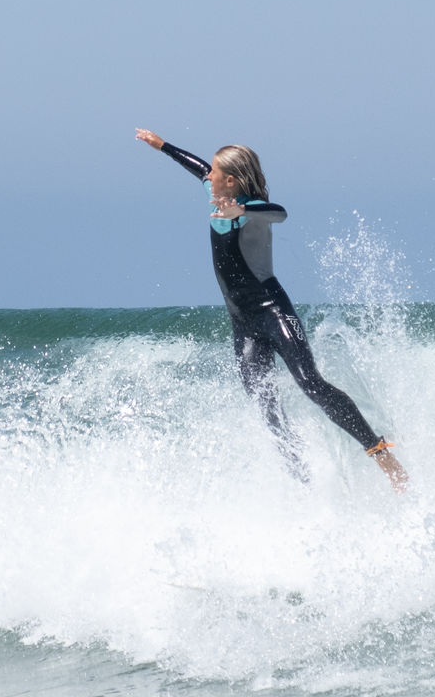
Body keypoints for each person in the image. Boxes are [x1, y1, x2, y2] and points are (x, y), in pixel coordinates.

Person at [136, 128, 408, 492]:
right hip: (243, 322)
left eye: (216, 172)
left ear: (231, 181)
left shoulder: (254, 212)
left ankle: (380, 452)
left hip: (272, 310)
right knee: (265, 407)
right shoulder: (216, 195)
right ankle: (302, 482)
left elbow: (280, 213)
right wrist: (163, 146)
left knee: (310, 383)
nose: (208, 176)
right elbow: (198, 167)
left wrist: (242, 209)